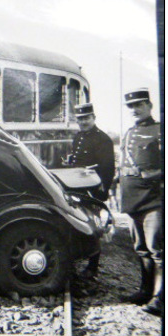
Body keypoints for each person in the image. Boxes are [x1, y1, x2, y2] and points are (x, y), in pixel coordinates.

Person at [117, 88, 163, 316]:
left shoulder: (160, 130)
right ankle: (145, 291)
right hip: (132, 198)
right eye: (131, 107)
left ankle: (160, 298)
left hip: (153, 199)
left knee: (158, 250)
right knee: (141, 249)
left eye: (139, 105)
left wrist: (152, 176)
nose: (135, 110)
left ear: (150, 106)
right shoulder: (128, 133)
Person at [66, 102, 116, 278]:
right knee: (76, 222)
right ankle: (77, 258)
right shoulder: (78, 137)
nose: (83, 122)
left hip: (92, 191)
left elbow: (108, 169)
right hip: (76, 188)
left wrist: (101, 194)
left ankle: (92, 267)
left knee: (94, 226)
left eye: (86, 118)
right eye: (80, 119)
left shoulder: (103, 139)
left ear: (94, 118)